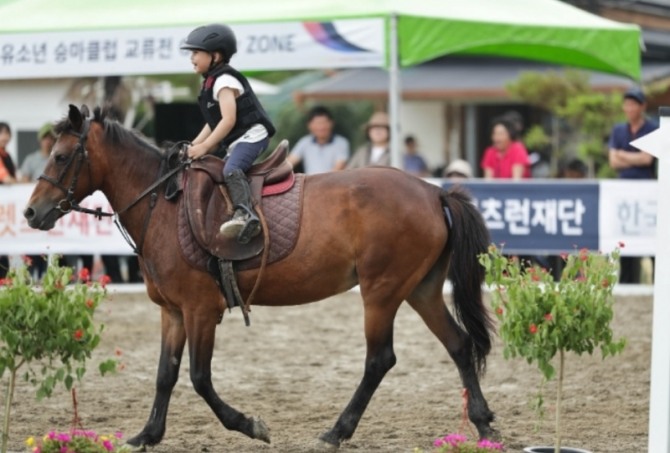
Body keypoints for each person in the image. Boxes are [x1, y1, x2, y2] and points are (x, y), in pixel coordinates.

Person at [182, 23, 276, 244]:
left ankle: (246, 214)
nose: (191, 57)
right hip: (238, 140)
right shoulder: (210, 82)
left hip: (253, 135)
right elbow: (212, 123)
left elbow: (228, 120)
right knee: (215, 172)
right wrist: (191, 144)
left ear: (214, 55)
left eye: (195, 52)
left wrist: (204, 148)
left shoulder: (224, 81)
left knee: (231, 170)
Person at [608, 86, 658, 283]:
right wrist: (632, 157)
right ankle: (627, 281)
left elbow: (647, 160)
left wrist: (622, 154)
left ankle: (656, 282)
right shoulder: (619, 130)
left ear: (642, 106)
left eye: (634, 104)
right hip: (624, 191)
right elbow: (613, 162)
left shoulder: (652, 128)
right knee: (626, 239)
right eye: (627, 104)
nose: (629, 108)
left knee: (651, 238)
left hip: (647, 191)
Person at [18, 122, 57, 279]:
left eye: (51, 138)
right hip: (35, 209)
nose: (48, 141)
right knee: (32, 249)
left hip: (50, 211)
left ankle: (45, 277)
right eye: (45, 138)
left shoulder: (58, 160)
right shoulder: (30, 159)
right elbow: (23, 182)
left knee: (48, 249)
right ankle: (30, 278)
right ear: (40, 140)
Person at [287, 106, 349, 174]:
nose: (321, 127)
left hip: (334, 183)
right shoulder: (304, 142)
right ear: (309, 125)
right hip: (310, 183)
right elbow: (289, 162)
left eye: (324, 122)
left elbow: (339, 167)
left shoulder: (341, 142)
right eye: (317, 123)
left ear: (331, 123)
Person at [0, 122, 16, 279]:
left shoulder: (7, 156)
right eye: (2, 133)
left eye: (7, 133)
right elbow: (6, 178)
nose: (5, 137)